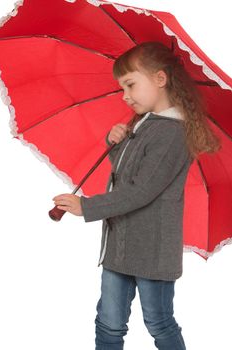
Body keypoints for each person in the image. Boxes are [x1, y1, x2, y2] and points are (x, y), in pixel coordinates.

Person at [52, 42, 221, 350]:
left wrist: (86, 206)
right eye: (122, 88)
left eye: (130, 84)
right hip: (121, 246)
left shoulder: (171, 133)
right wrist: (116, 144)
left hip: (152, 251)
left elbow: (141, 191)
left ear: (160, 79)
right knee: (108, 321)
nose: (125, 96)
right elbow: (127, 175)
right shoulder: (145, 124)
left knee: (158, 321)